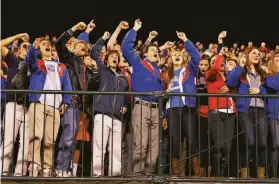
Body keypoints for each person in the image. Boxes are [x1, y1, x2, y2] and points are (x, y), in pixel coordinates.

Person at [121, 19, 165, 175]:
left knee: (154, 147)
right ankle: (137, 176)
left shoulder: (159, 71)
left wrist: (164, 114)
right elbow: (126, 47)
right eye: (153, 49)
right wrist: (135, 29)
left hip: (157, 110)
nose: (156, 52)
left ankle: (149, 175)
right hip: (142, 107)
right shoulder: (139, 63)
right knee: (141, 145)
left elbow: (162, 93)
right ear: (146, 53)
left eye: (157, 51)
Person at [54, 20, 96, 177]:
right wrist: (75, 29)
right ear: (73, 47)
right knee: (69, 136)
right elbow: (59, 42)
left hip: (80, 104)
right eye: (80, 45)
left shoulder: (85, 65)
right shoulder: (69, 60)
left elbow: (93, 84)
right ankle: (61, 167)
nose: (84, 48)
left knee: (72, 139)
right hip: (70, 100)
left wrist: (95, 69)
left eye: (85, 48)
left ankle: (64, 168)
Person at [26, 38, 72, 177]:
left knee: (50, 140)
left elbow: (67, 87)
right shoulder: (37, 62)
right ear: (40, 49)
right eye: (43, 44)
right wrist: (33, 48)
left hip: (55, 106)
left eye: (48, 44)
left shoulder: (61, 66)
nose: (46, 45)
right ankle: (34, 166)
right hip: (38, 103)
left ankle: (47, 168)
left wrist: (66, 102)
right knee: (36, 136)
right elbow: (29, 60)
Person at [91, 31, 129, 177]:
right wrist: (103, 38)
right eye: (112, 56)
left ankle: (114, 175)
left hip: (117, 117)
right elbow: (94, 52)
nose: (114, 58)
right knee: (99, 146)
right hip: (102, 114)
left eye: (116, 57)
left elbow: (126, 99)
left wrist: (125, 107)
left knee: (116, 149)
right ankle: (97, 175)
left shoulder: (123, 78)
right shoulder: (103, 70)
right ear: (106, 59)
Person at [226, 47, 268, 178]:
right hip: (246, 110)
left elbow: (267, 90)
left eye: (258, 53)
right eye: (253, 53)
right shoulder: (241, 71)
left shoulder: (262, 73)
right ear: (247, 55)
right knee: (249, 141)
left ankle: (260, 175)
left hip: (260, 110)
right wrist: (240, 66)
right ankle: (244, 173)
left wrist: (259, 91)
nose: (257, 55)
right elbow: (230, 83)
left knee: (262, 143)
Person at [164, 31, 200, 176]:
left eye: (179, 54)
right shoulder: (166, 74)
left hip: (187, 108)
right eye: (174, 55)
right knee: (175, 142)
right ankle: (178, 174)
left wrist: (185, 39)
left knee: (191, 140)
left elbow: (197, 57)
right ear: (171, 59)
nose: (177, 56)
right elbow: (163, 98)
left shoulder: (189, 70)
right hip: (172, 109)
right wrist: (163, 114)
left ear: (183, 57)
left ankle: (196, 173)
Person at [0, 33, 30, 176]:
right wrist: (19, 36)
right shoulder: (13, 60)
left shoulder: (35, 65)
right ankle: (2, 171)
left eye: (29, 47)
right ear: (18, 50)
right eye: (25, 46)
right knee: (9, 141)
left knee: (26, 143)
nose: (27, 48)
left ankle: (20, 173)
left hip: (29, 107)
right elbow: (1, 45)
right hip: (13, 104)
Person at [205, 55, 236, 177]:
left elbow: (237, 73)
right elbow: (215, 67)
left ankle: (222, 176)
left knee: (227, 148)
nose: (218, 63)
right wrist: (220, 56)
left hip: (230, 114)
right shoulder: (210, 76)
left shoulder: (230, 77)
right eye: (212, 62)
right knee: (219, 147)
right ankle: (215, 176)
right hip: (216, 113)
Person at [265, 52, 279, 176]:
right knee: (276, 144)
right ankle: (274, 175)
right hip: (274, 113)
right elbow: (274, 86)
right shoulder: (270, 76)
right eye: (277, 60)